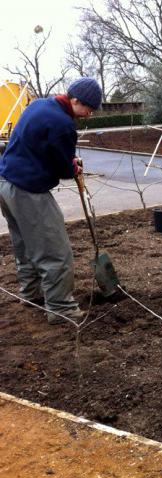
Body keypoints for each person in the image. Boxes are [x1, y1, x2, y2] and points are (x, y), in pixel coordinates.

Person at [0, 77, 102, 324]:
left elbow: (38, 146)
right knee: (55, 251)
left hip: (5, 184)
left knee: (26, 245)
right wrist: (72, 166)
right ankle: (60, 308)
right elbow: (64, 169)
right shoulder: (63, 124)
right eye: (87, 108)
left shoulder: (38, 105)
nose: (88, 114)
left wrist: (67, 159)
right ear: (74, 100)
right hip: (29, 191)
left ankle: (31, 294)